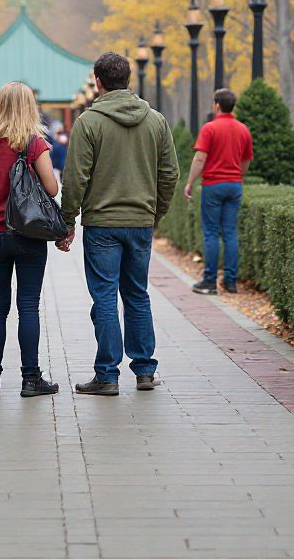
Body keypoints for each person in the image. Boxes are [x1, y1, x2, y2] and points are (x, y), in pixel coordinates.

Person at [60, 51, 178, 395]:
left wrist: (67, 221)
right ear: (129, 80)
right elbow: (169, 173)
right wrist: (155, 214)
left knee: (106, 296)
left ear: (98, 81)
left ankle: (107, 375)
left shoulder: (89, 122)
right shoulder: (155, 120)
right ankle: (144, 370)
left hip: (102, 224)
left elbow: (76, 177)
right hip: (140, 221)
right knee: (137, 294)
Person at [0, 81, 59, 398]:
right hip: (28, 236)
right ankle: (31, 379)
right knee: (28, 306)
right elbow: (52, 188)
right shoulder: (33, 144)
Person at [183, 87, 253, 295]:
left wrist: (189, 182)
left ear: (216, 105)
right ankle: (230, 282)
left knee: (211, 233)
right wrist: (237, 175)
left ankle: (210, 281)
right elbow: (247, 159)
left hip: (213, 185)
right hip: (234, 185)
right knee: (230, 232)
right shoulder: (243, 129)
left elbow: (200, 158)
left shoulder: (209, 128)